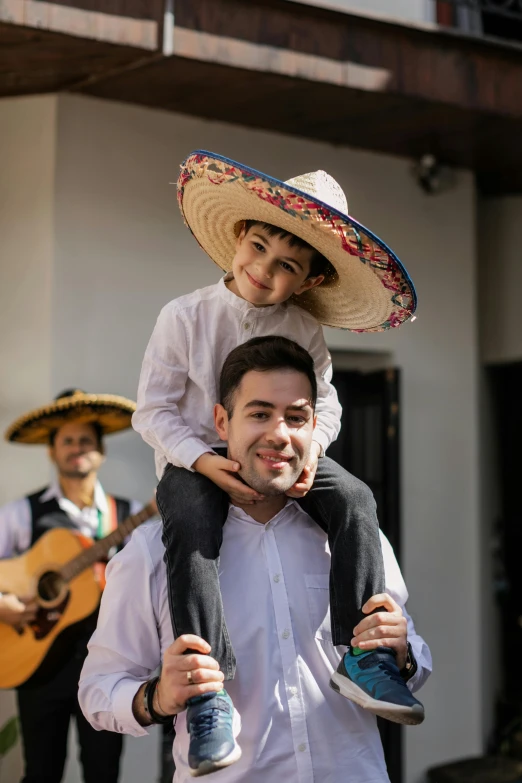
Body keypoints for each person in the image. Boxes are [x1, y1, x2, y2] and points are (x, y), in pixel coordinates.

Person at [133, 152, 419, 773]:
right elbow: (152, 413)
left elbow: (327, 405)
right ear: (239, 235)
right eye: (258, 245)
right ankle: (208, 692)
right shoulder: (183, 316)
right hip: (198, 459)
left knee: (356, 499)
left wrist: (311, 448)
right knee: (190, 527)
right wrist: (202, 464)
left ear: (310, 281)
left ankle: (363, 655)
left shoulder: (303, 329)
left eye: (286, 264)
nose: (263, 268)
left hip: (282, 457)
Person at [80, 337, 431, 782]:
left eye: (296, 417)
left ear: (314, 427)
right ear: (222, 422)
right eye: (260, 413)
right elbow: (98, 691)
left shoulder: (356, 537)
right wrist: (158, 697)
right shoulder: (153, 552)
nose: (280, 434)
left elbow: (415, 657)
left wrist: (403, 656)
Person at [0, 389, 142, 783]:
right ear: (52, 451)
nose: (77, 448)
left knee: (103, 773)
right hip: (38, 665)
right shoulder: (20, 513)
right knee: (41, 773)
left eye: (85, 441)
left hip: (109, 668)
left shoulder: (129, 514)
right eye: (67, 441)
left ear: (100, 451)